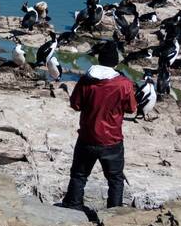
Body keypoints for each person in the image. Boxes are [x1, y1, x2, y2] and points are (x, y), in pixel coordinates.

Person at [59, 44, 138, 209]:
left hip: (87, 137)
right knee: (115, 179)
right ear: (115, 63)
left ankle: (73, 206)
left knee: (79, 175)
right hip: (112, 140)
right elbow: (131, 108)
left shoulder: (86, 80)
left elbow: (75, 105)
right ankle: (113, 213)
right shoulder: (124, 84)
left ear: (99, 60)